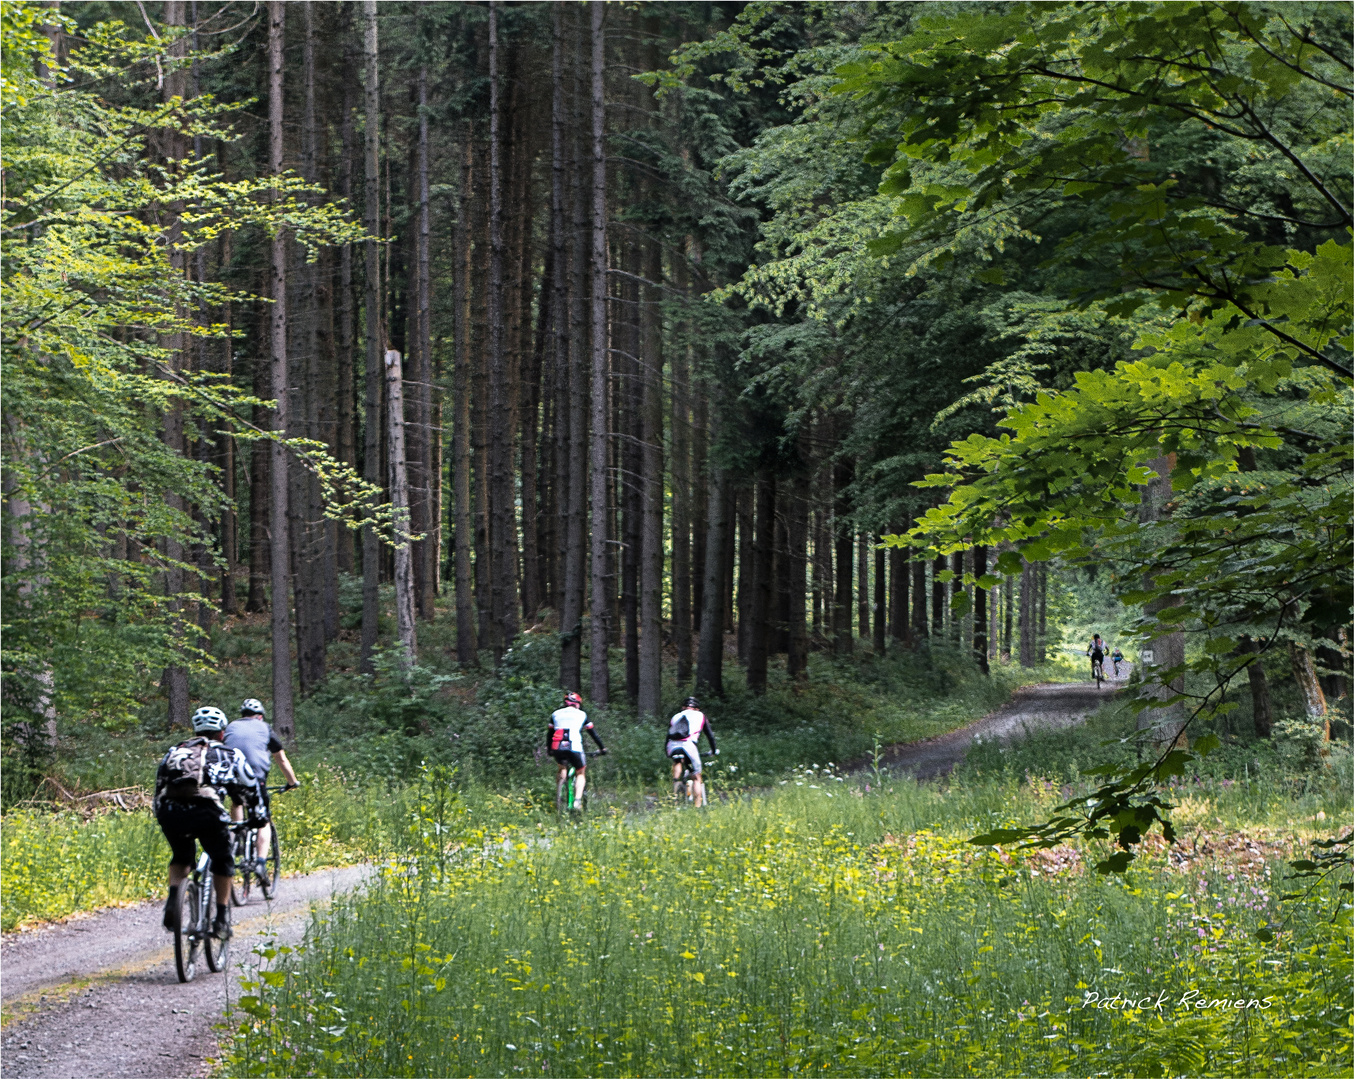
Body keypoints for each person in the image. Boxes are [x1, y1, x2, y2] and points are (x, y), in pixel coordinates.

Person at [154, 706, 261, 940]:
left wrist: (161, 814)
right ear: (221, 733)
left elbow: (159, 785)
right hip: (207, 813)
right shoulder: (229, 753)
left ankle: (174, 899)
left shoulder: (175, 751)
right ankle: (222, 918)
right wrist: (257, 816)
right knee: (222, 860)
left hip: (170, 811)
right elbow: (251, 787)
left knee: (181, 856)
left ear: (195, 730)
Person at [224, 699, 299, 884]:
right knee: (263, 821)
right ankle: (260, 862)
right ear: (259, 716)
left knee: (237, 801)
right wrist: (292, 782)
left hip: (230, 776)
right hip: (256, 778)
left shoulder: (231, 727)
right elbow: (281, 759)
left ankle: (238, 834)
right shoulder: (265, 728)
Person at [547, 691, 606, 811]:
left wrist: (549, 749)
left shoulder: (555, 714)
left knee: (562, 768)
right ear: (577, 703)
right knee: (580, 772)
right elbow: (593, 734)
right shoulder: (582, 714)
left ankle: (559, 798)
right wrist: (602, 748)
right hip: (575, 746)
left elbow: (549, 734)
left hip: (557, 745)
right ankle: (577, 802)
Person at [665, 695, 718, 808]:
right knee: (696, 777)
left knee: (677, 761)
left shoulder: (676, 716)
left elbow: (668, 735)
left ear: (683, 707)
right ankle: (697, 806)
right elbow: (710, 735)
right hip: (689, 745)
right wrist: (713, 750)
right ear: (697, 708)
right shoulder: (700, 715)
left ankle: (675, 787)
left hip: (672, 745)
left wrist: (667, 752)